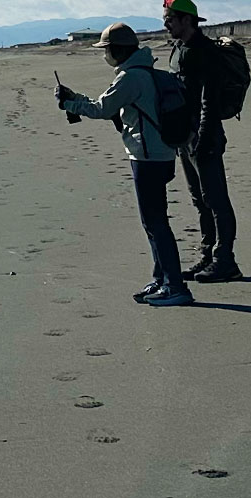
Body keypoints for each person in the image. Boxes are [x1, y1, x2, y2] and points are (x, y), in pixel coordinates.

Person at [55, 23, 195, 307]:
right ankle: (162, 279)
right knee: (155, 222)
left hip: (147, 158)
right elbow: (108, 108)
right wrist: (76, 101)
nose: (104, 56)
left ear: (117, 50)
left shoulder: (130, 78)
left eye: (105, 50)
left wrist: (70, 103)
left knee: (155, 223)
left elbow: (102, 109)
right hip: (163, 154)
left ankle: (175, 286)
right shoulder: (148, 73)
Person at [163, 0, 242, 283]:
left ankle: (225, 261)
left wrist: (205, 136)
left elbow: (210, 98)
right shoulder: (179, 48)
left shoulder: (204, 51)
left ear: (187, 20)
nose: (166, 25)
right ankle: (208, 255)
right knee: (200, 200)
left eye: (170, 20)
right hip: (185, 137)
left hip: (203, 136)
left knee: (216, 199)